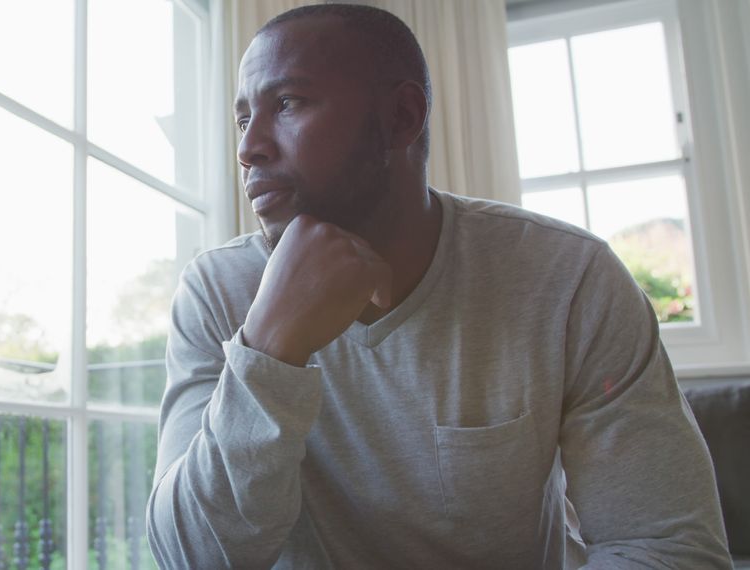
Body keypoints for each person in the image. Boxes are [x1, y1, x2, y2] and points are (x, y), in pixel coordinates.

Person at [146, 4, 731, 569]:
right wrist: (268, 350)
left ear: (402, 117)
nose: (249, 148)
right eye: (244, 118)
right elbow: (191, 557)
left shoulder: (570, 280)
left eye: (288, 103)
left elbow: (666, 544)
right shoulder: (216, 292)